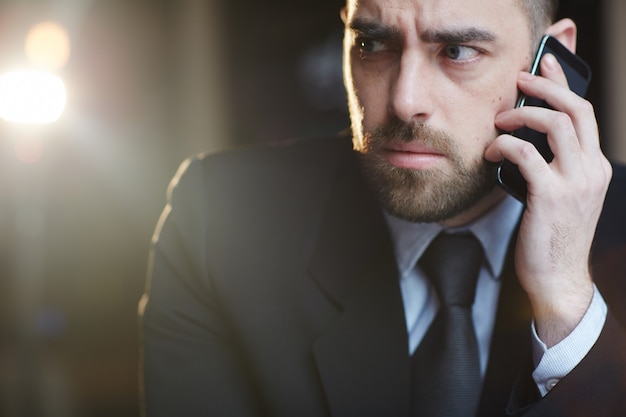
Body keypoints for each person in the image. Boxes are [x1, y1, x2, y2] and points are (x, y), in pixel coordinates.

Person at [139, 0, 626, 415]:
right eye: (372, 44)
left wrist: (565, 303)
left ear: (552, 58)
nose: (403, 99)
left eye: (457, 51)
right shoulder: (219, 220)